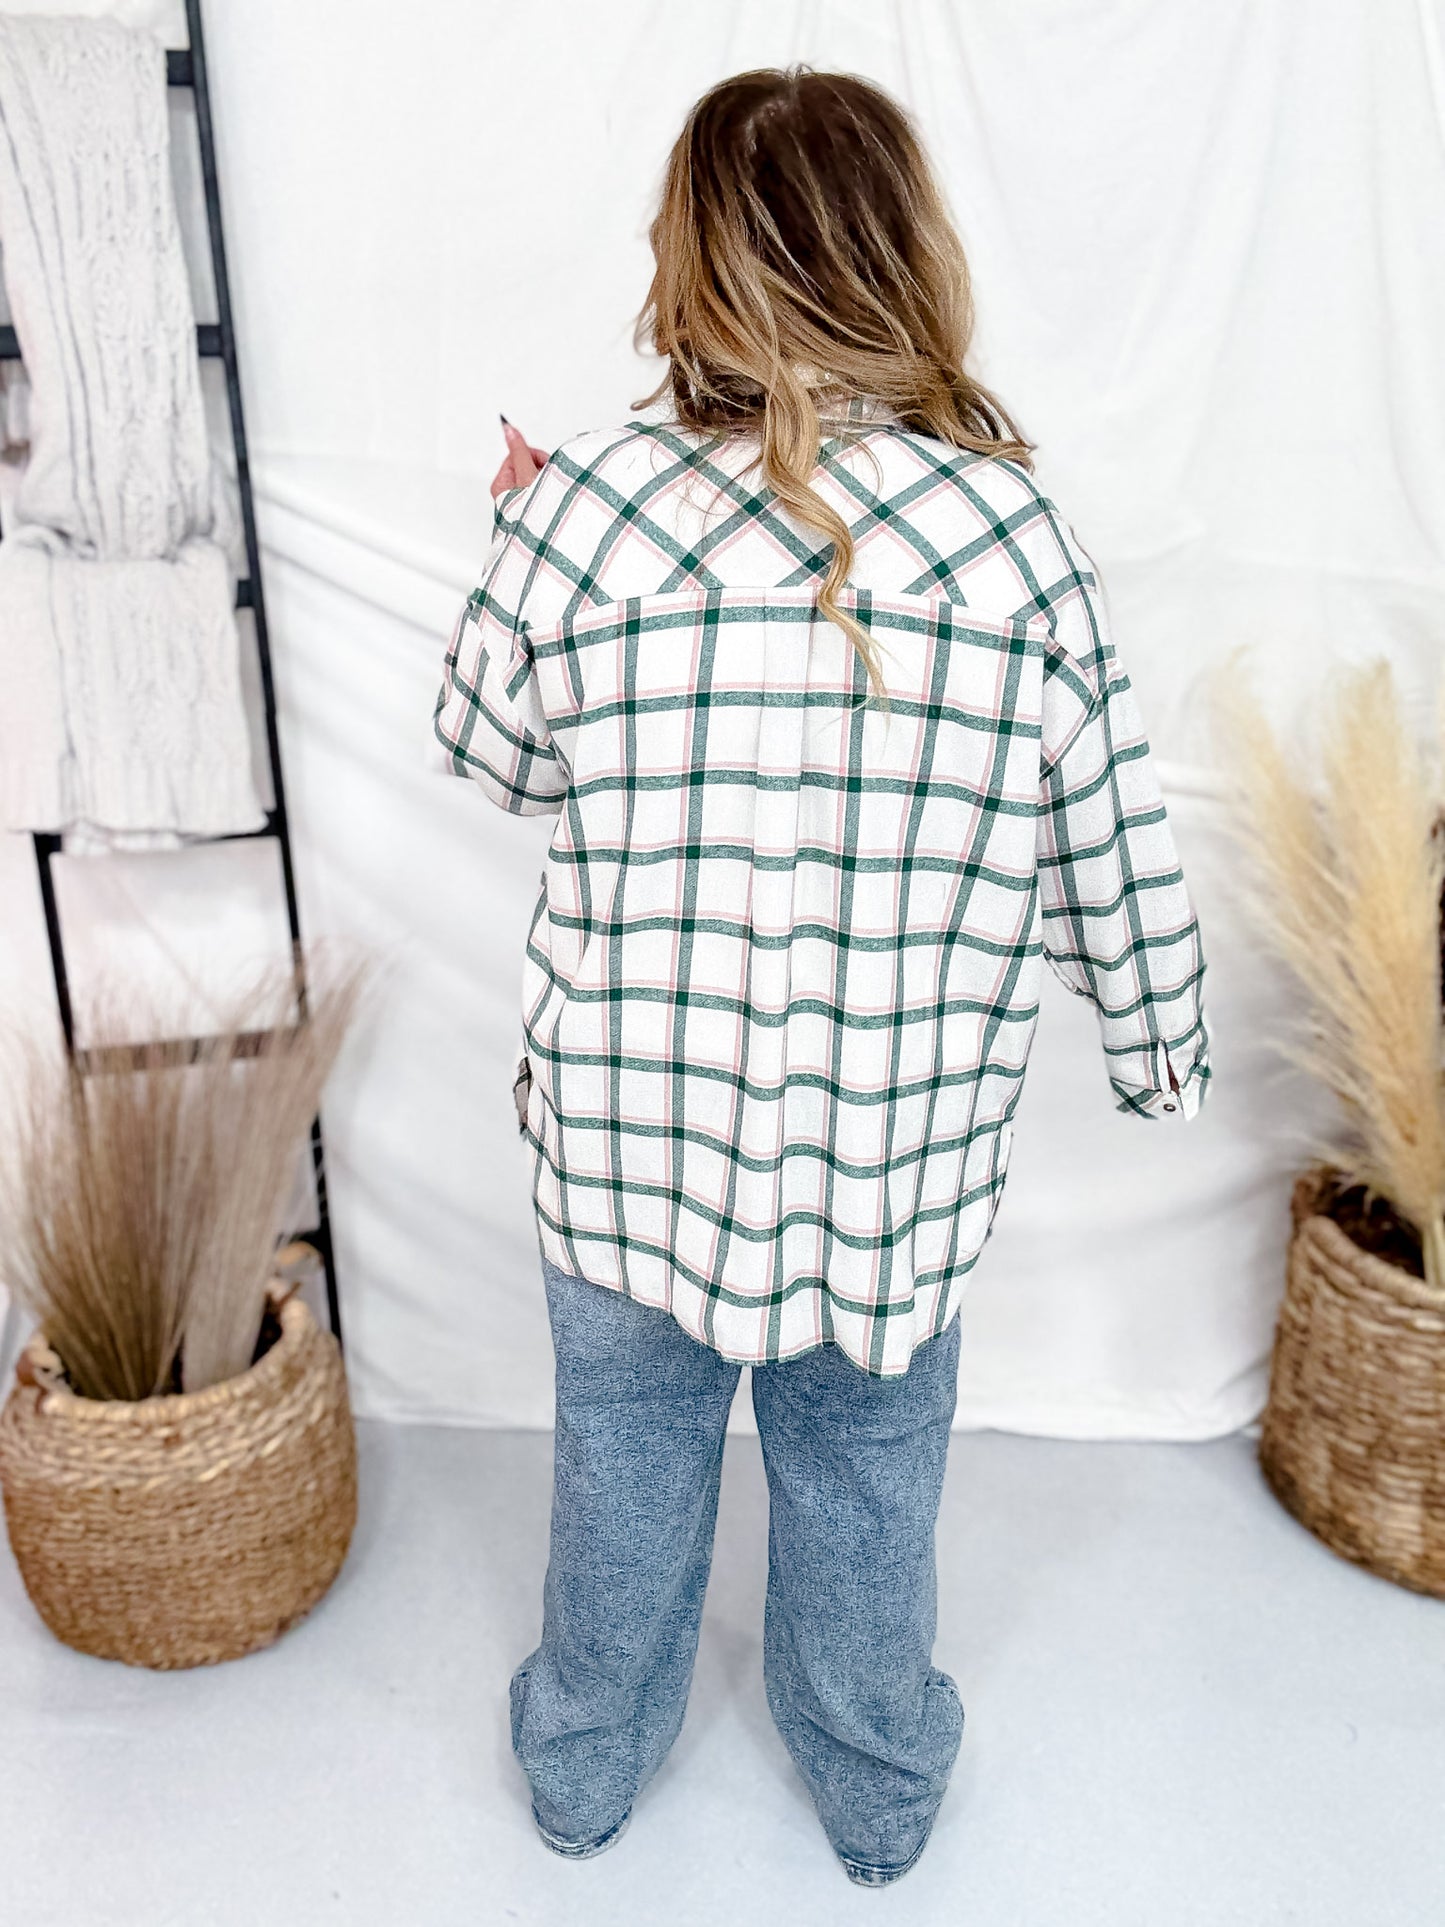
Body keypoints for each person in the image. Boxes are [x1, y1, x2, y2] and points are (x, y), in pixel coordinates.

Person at [434, 66, 1211, 1888]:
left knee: (625, 1458)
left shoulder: (589, 512)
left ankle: (581, 1764)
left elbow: (495, 754)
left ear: (691, 266)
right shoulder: (1017, 543)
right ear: (899, 260)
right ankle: (874, 1784)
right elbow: (1110, 832)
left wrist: (522, 532)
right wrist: (1160, 1049)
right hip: (893, 1169)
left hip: (629, 1153)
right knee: (867, 1479)